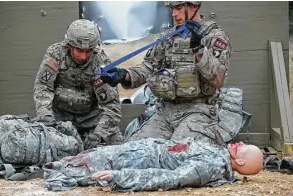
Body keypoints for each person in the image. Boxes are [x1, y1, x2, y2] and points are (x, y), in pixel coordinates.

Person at [98, 1, 233, 142]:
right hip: (165, 111)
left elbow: (219, 79)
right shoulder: (169, 37)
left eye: (179, 8)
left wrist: (198, 50)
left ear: (194, 6)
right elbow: (148, 67)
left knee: (177, 153)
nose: (174, 14)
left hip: (199, 111)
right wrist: (123, 75)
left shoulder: (214, 37)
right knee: (135, 149)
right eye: (172, 9)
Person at [43, 137, 263, 192]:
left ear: (240, 161)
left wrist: (119, 176)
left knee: (72, 167)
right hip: (135, 152)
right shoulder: (218, 155)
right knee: (79, 159)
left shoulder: (208, 166)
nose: (239, 143)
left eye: (243, 147)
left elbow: (170, 178)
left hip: (132, 161)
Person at [33, 19, 123, 150]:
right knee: (42, 148)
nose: (83, 56)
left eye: (88, 51)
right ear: (69, 46)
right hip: (59, 117)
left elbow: (111, 105)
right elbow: (43, 86)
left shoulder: (100, 63)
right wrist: (45, 116)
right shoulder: (56, 54)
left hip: (91, 118)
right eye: (79, 50)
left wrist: (99, 134)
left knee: (117, 146)